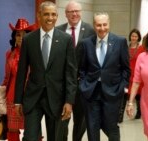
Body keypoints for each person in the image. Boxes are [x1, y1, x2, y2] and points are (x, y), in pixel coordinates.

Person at [14, 1, 77, 141]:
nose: (50, 18)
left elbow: (71, 73)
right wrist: (18, 101)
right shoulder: (28, 40)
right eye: (46, 14)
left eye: (53, 14)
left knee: (56, 138)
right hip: (33, 98)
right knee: (29, 138)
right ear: (39, 15)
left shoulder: (66, 40)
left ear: (57, 16)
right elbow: (22, 72)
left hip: (57, 99)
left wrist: (69, 101)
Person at [79, 12, 130, 141]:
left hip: (112, 92)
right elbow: (81, 68)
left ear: (109, 24)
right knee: (92, 127)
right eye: (98, 25)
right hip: (91, 92)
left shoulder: (120, 42)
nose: (102, 28)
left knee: (111, 127)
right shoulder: (86, 43)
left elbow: (126, 69)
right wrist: (83, 84)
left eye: (104, 24)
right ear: (94, 26)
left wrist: (121, 87)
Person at [56, 1, 95, 141]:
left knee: (81, 121)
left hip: (82, 87)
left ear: (81, 12)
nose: (74, 14)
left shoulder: (90, 30)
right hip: (63, 86)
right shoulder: (58, 30)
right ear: (65, 14)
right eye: (71, 11)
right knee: (61, 123)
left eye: (76, 11)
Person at [1, 18, 37, 141]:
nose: (21, 37)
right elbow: (7, 77)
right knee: (13, 129)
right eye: (18, 34)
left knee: (32, 130)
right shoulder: (9, 54)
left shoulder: (35, 53)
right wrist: (0, 94)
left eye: (24, 34)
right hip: (12, 97)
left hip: (30, 97)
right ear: (14, 37)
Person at [119, 28, 144, 123]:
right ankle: (120, 116)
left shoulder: (142, 48)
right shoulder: (125, 47)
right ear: (130, 37)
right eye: (132, 36)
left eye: (136, 36)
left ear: (138, 38)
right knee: (124, 94)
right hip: (126, 74)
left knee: (138, 95)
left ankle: (139, 112)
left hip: (137, 74)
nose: (134, 38)